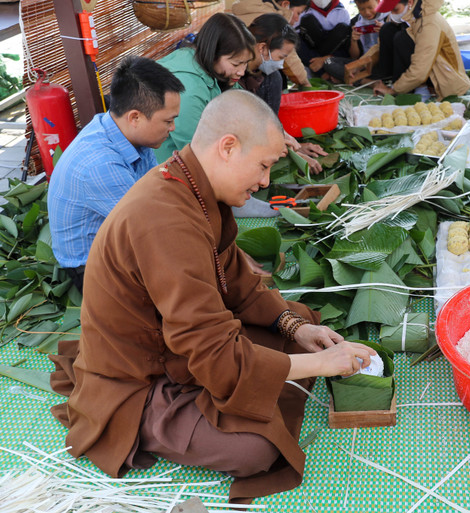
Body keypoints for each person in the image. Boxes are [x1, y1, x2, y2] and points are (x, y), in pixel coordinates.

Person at [48, 90, 377, 505]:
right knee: (257, 449)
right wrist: (318, 364)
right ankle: (143, 422)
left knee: (297, 327)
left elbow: (235, 280)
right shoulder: (164, 218)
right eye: (263, 165)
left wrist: (297, 328)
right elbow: (210, 349)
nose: (265, 182)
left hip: (181, 343)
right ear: (227, 147)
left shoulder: (195, 188)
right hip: (141, 374)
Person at [48, 57, 183, 292]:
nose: (172, 128)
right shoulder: (100, 165)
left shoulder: (128, 133)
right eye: (168, 121)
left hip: (122, 237)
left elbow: (157, 190)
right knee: (183, 281)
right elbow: (152, 229)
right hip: (90, 268)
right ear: (135, 117)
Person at [156, 13, 255, 162]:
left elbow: (242, 105)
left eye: (245, 63)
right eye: (235, 64)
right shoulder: (188, 89)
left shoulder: (207, 66)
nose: (241, 71)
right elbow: (197, 151)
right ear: (213, 54)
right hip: (165, 170)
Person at [242, 13, 327, 174]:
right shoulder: (234, 78)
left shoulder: (264, 76)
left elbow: (268, 122)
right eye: (281, 57)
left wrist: (294, 146)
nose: (281, 64)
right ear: (261, 48)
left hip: (260, 136)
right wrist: (293, 155)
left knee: (275, 77)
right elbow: (252, 127)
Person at [360, 0, 470, 100]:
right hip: (420, 70)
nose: (392, 14)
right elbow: (380, 46)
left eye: (395, 9)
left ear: (410, 3)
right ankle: (398, 81)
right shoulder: (405, 15)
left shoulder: (429, 23)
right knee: (387, 29)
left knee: (402, 38)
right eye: (390, 10)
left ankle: (422, 89)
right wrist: (360, 64)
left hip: (442, 79)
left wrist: (393, 89)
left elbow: (421, 68)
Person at [231, 0, 312, 88]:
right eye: (298, 13)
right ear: (285, 4)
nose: (297, 19)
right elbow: (291, 59)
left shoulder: (250, 9)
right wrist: (305, 83)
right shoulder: (270, 19)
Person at [309, 0, 387, 82]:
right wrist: (353, 40)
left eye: (370, 7)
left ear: (379, 2)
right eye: (361, 9)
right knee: (328, 62)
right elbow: (354, 56)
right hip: (361, 63)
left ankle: (357, 80)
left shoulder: (388, 18)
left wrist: (386, 32)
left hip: (381, 63)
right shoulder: (356, 22)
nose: (367, 12)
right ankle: (361, 79)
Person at [296, 0, 351, 69]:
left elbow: (346, 46)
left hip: (332, 57)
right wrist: (311, 60)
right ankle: (319, 67)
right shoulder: (304, 10)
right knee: (307, 20)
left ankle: (325, 67)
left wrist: (326, 58)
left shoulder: (343, 13)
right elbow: (297, 40)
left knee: (343, 28)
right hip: (311, 56)